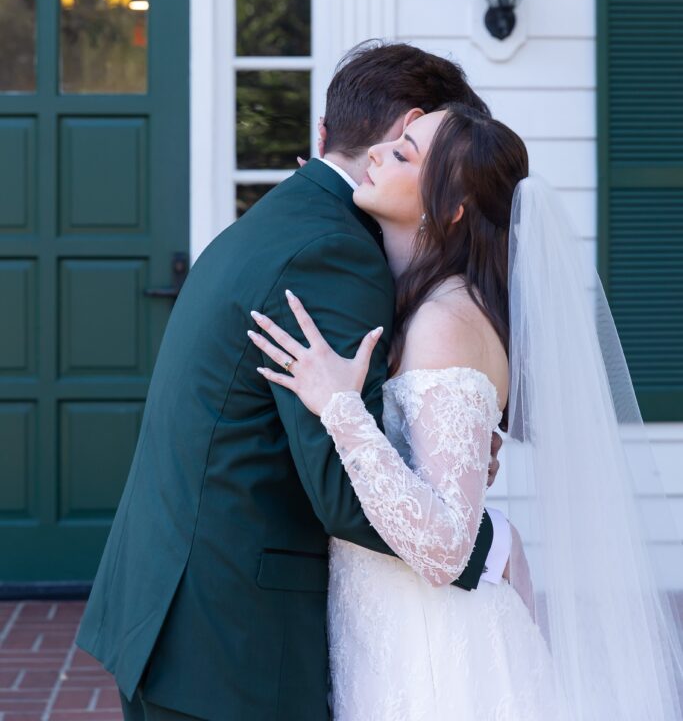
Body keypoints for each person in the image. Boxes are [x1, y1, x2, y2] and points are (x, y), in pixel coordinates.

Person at [76, 42, 512, 721]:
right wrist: (488, 543)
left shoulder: (287, 217)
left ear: (321, 135)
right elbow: (342, 495)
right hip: (229, 641)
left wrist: (440, 442)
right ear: (409, 127)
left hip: (174, 607)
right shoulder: (334, 252)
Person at [250, 103, 683, 720]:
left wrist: (340, 408)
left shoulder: (446, 321)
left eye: (402, 153)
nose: (375, 152)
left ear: (450, 207)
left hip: (436, 653)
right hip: (393, 630)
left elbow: (448, 547)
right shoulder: (425, 299)